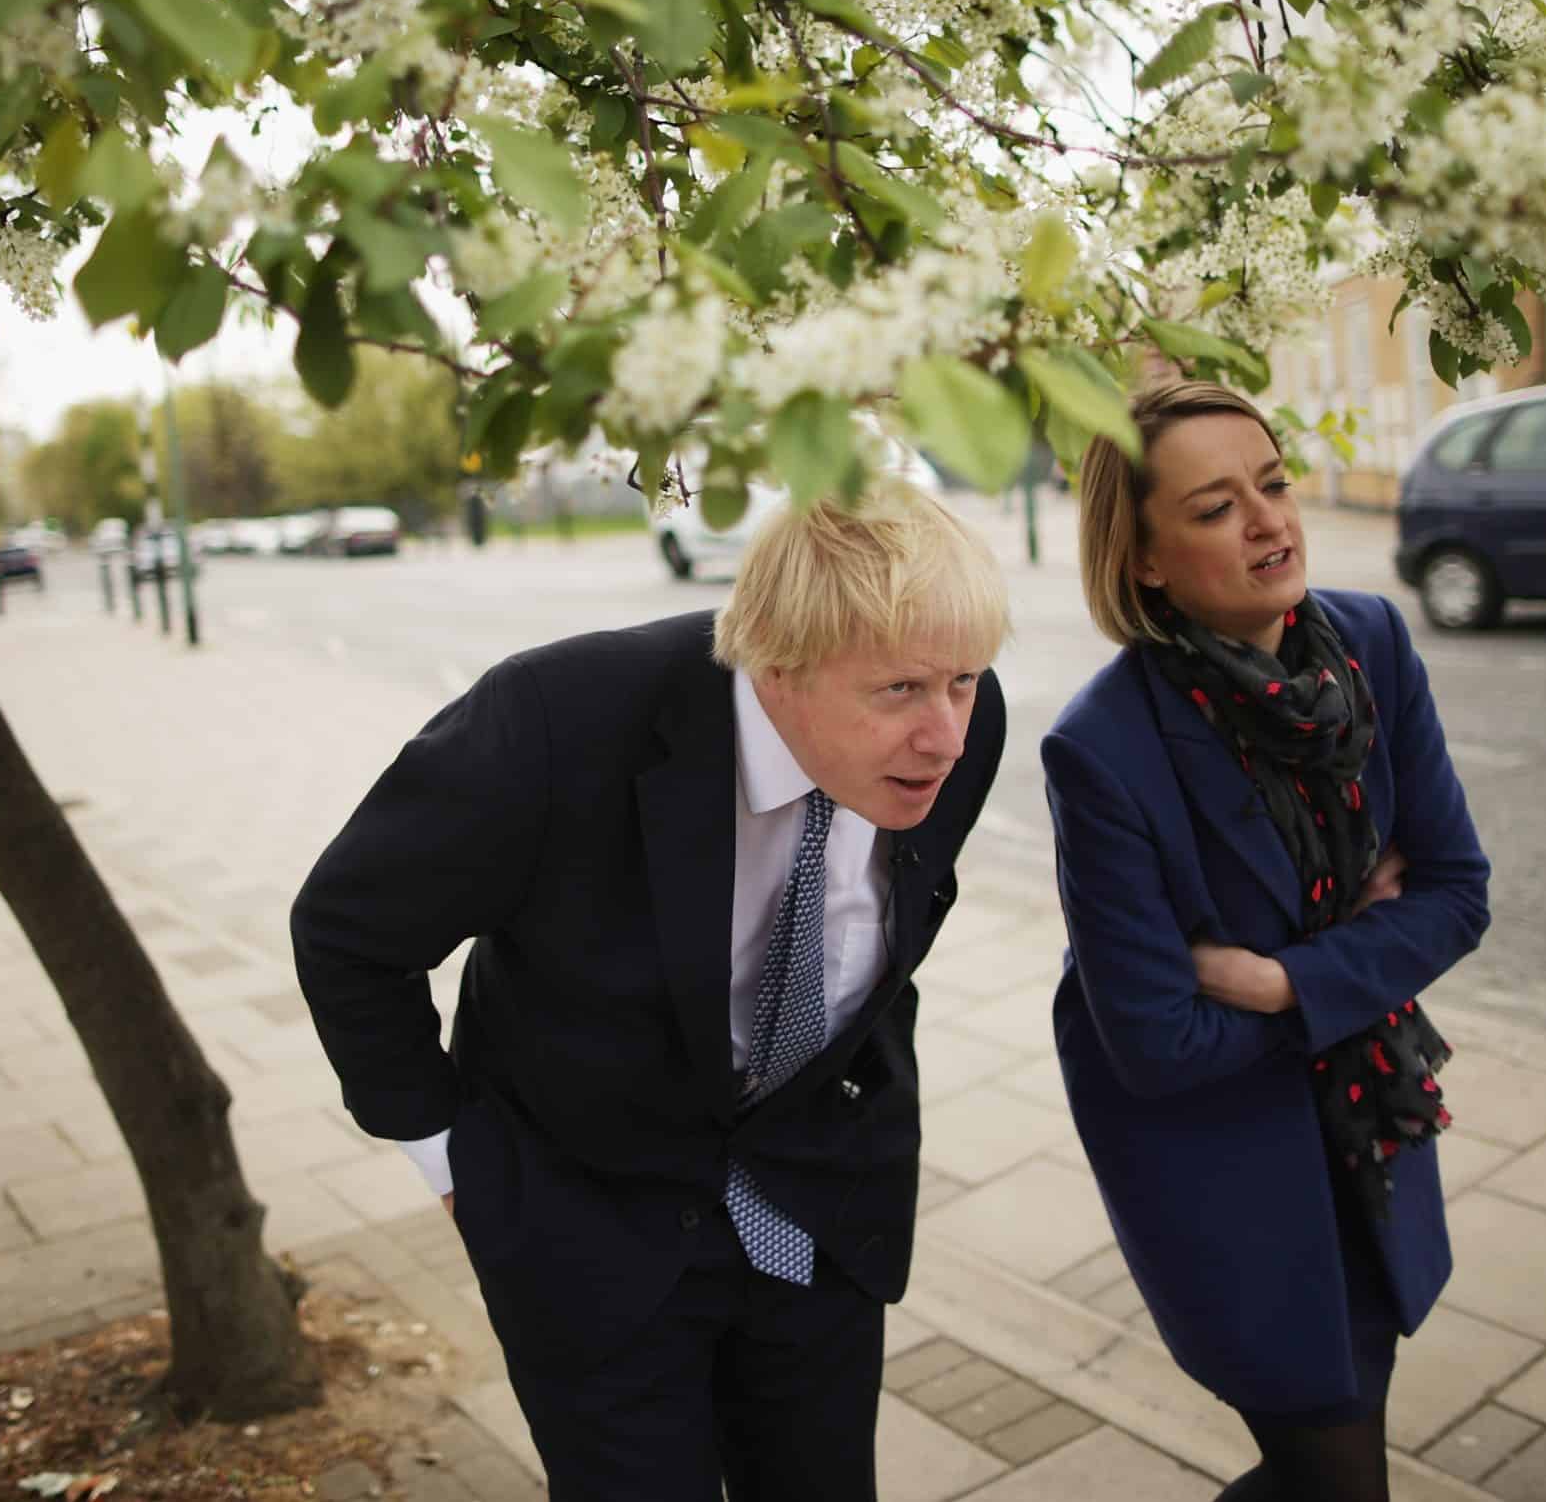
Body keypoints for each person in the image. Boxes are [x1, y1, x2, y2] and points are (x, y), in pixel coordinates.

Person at [293, 481, 1010, 1502]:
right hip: (589, 1235)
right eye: (898, 691)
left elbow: (882, 952)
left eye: (966, 682)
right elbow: (348, 932)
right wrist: (455, 1163)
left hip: (817, 1218)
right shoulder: (556, 722)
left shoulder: (960, 738)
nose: (944, 734)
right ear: (776, 663)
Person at [1043, 379, 1490, 1502]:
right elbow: (1158, 1045)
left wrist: (1283, 983)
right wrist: (1361, 959)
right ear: (1142, 557)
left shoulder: (1372, 645)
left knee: (1333, 1459)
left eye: (1273, 484)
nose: (1269, 522)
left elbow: (1455, 891)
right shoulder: (1102, 748)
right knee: (1333, 1467)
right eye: (1213, 508)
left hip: (1369, 1130)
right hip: (1226, 1168)